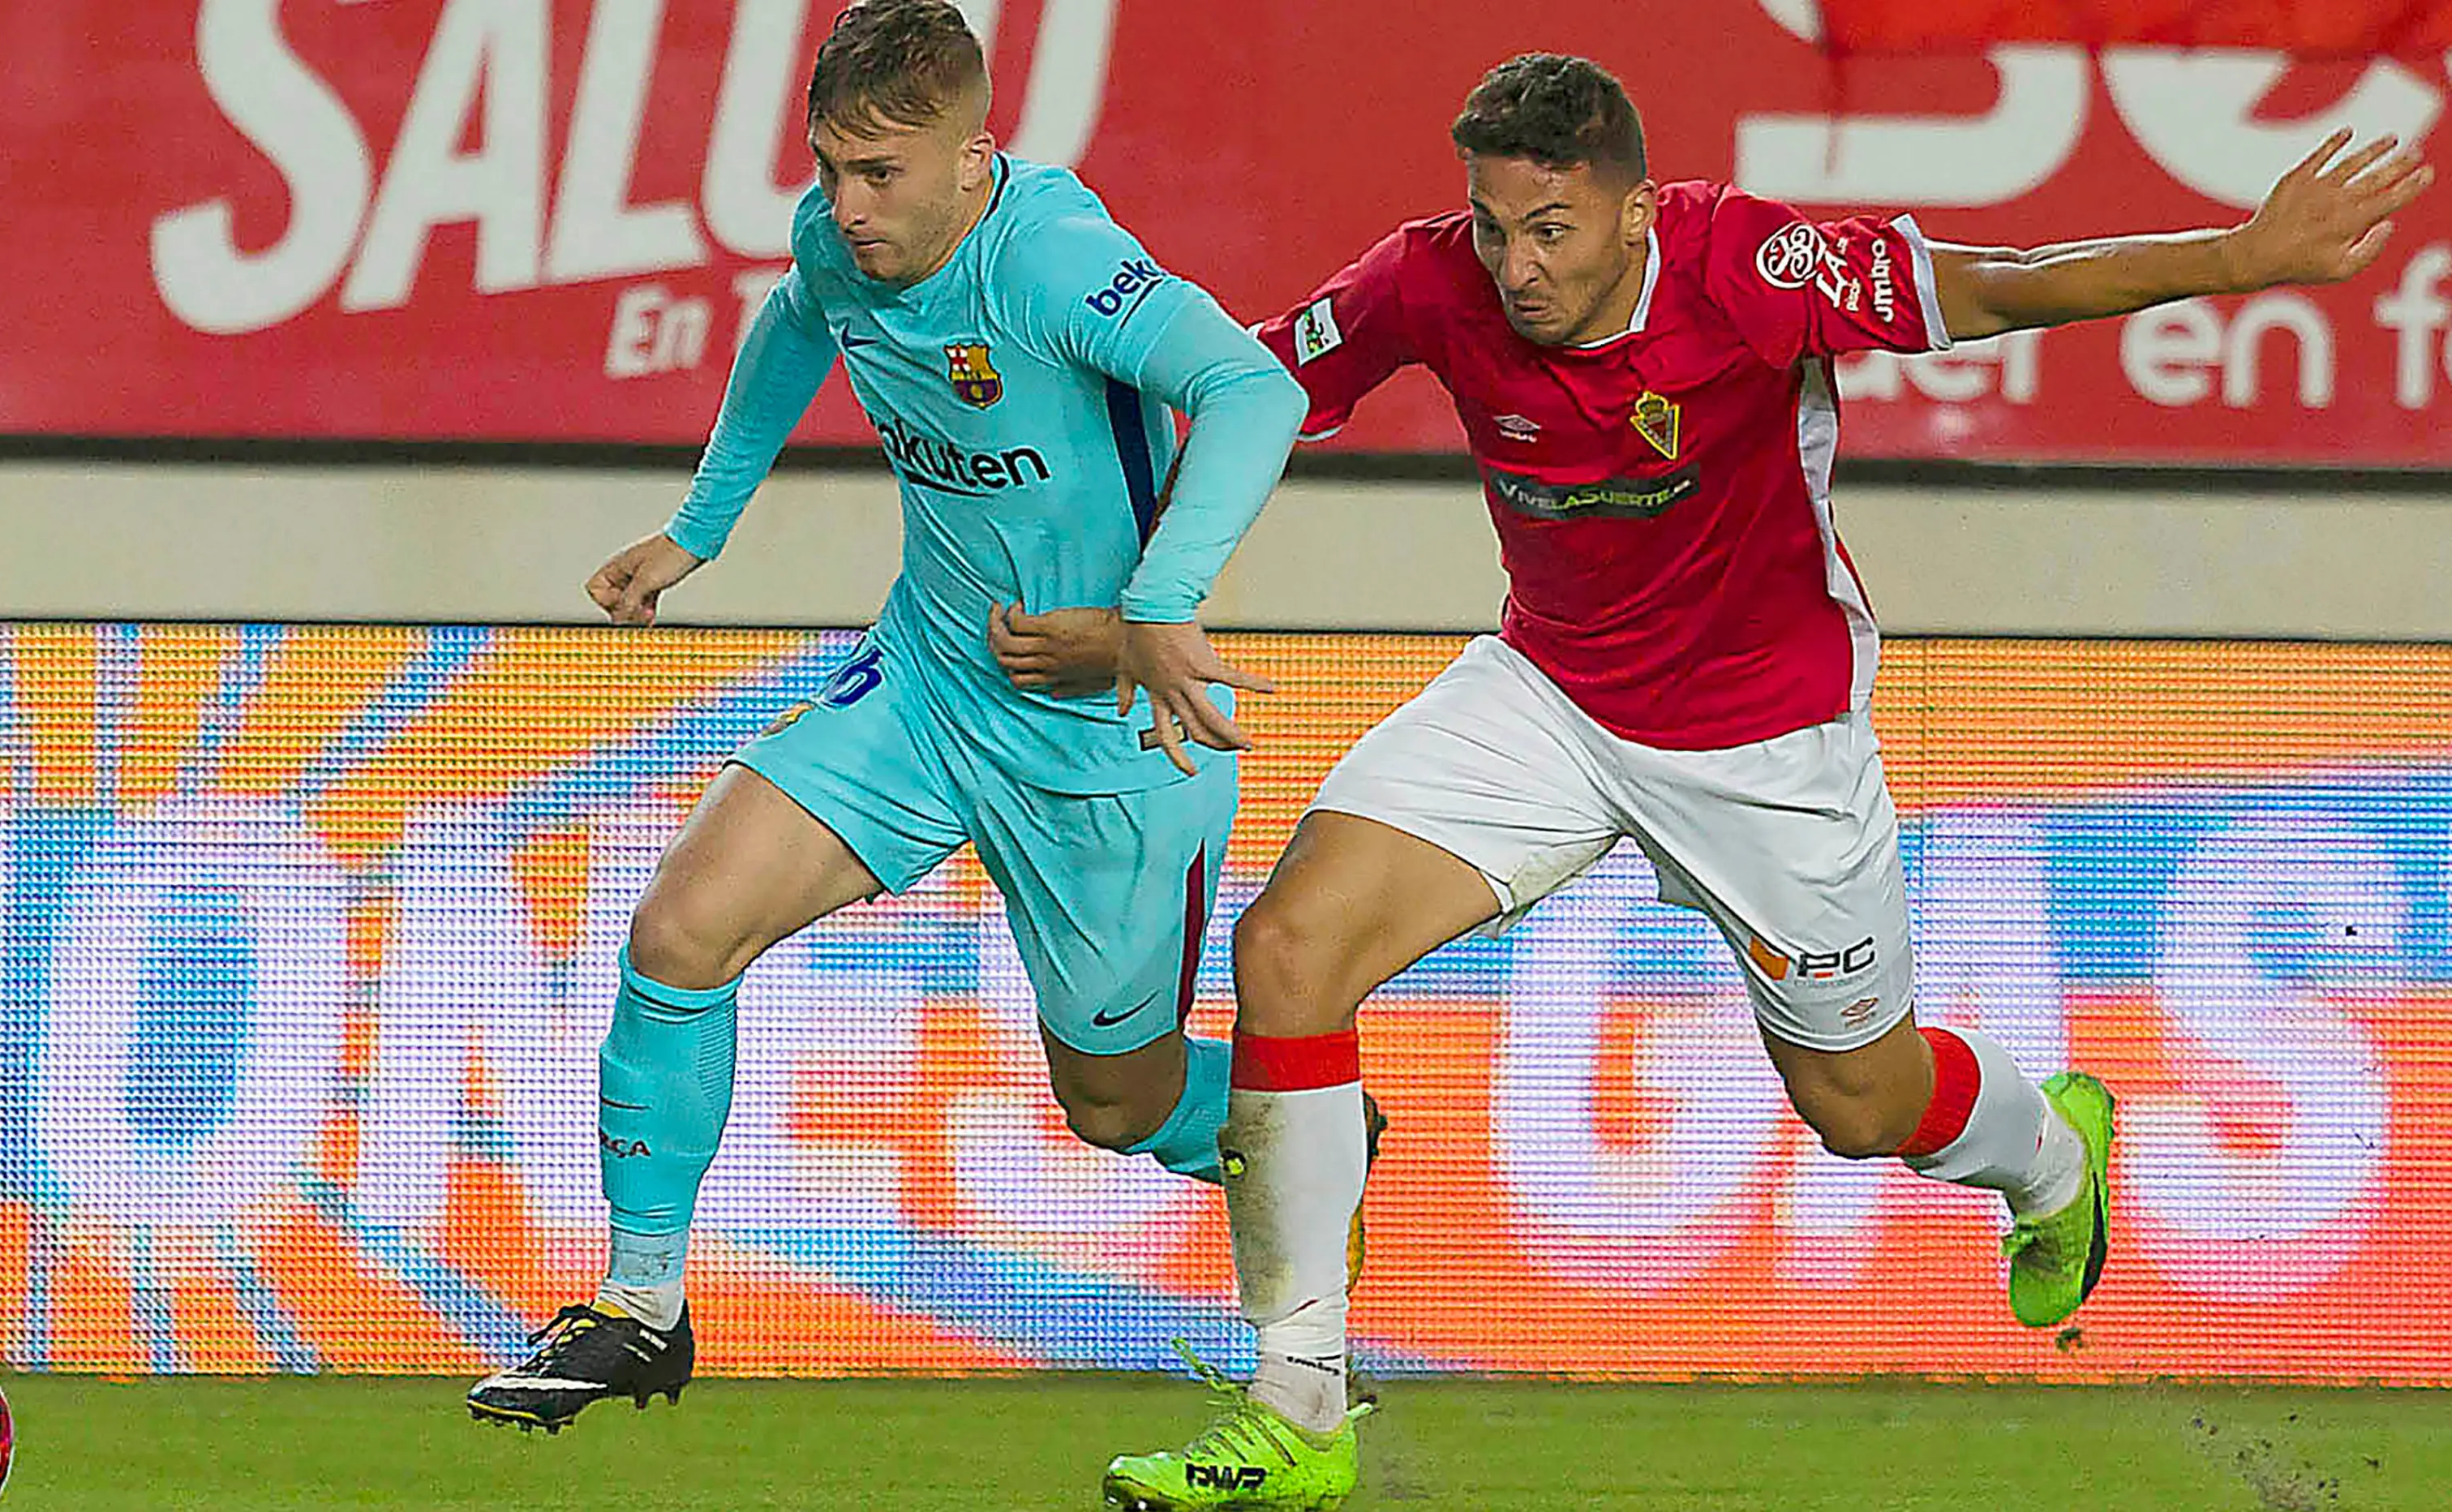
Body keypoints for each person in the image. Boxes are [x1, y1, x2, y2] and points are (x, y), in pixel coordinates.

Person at [1100, 52, 2432, 1512]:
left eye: (1550, 230)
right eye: (1492, 225)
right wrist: (1082, 508)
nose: (1515, 264)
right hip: (1548, 691)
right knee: (1287, 952)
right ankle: (1298, 1412)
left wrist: (2239, 257)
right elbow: (1237, 390)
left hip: (1764, 741)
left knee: (1862, 1103)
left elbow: (1993, 288)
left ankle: (2052, 1154)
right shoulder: (1431, 284)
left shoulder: (1750, 266)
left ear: (1632, 212)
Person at [464, 0, 1312, 1433]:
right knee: (680, 932)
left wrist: (1160, 608)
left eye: (884, 176)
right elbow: (797, 325)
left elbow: (1251, 386)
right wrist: (700, 529)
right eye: (830, 168)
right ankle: (642, 1306)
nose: (848, 209)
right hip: (925, 684)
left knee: (1115, 1108)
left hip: (1104, 729)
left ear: (974, 154)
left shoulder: (1051, 257)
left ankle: (1305, 1122)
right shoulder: (830, 240)